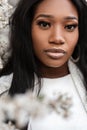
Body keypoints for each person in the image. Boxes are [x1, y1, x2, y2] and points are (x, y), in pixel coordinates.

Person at [0, 0, 87, 129]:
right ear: (27, 28)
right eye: (44, 24)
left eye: (69, 27)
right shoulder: (4, 92)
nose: (57, 38)